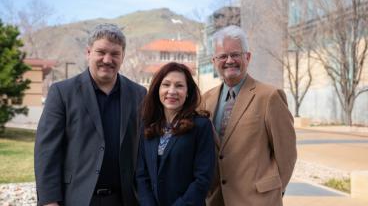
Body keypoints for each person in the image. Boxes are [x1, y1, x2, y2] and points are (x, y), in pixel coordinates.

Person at [34, 23, 146, 206]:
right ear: (88, 53)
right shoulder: (62, 93)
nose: (107, 60)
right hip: (76, 199)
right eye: (101, 52)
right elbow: (47, 152)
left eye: (115, 54)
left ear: (123, 56)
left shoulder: (139, 94)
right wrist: (49, 201)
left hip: (124, 199)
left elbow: (144, 151)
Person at [201, 25, 297, 206]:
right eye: (223, 56)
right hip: (216, 200)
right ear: (214, 61)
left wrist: (273, 193)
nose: (229, 60)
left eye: (235, 54)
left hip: (257, 200)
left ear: (248, 57)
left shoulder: (270, 96)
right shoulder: (205, 100)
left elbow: (287, 154)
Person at [136, 62, 216, 206]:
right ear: (157, 89)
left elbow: (202, 179)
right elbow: (141, 175)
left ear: (188, 93)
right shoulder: (148, 126)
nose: (172, 91)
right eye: (166, 84)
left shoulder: (201, 126)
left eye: (179, 86)